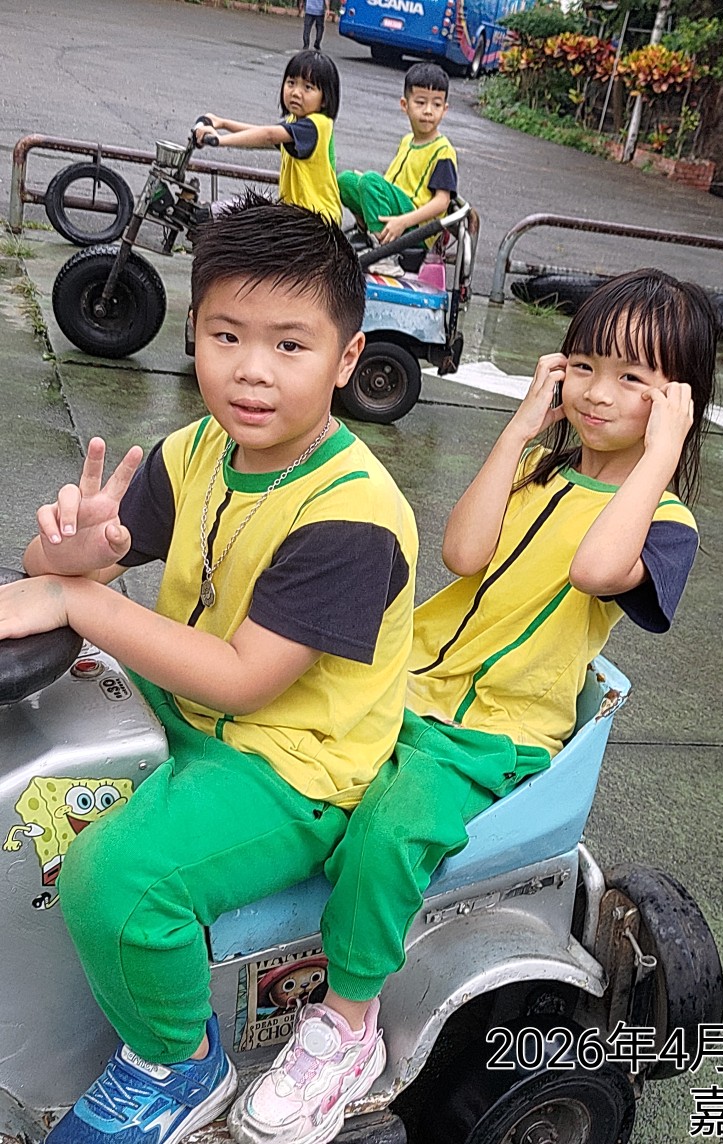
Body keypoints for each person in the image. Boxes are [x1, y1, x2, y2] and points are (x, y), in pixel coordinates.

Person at [229, 268, 720, 1144]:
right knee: (266, 741)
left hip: (492, 733)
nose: (597, 393)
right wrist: (524, 426)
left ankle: (346, 1024)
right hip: (402, 683)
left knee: (388, 834)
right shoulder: (537, 469)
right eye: (585, 365)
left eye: (633, 379)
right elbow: (461, 551)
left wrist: (659, 454)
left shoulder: (665, 519)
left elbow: (596, 571)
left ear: (678, 401)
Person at [0, 195, 419, 1144]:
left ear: (347, 358)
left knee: (118, 879)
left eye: (290, 345)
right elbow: (57, 574)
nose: (251, 370)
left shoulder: (352, 514)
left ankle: (178, 1060)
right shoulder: (198, 450)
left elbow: (241, 680)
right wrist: (71, 554)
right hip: (185, 704)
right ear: (193, 332)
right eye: (227, 335)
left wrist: (82, 601)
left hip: (290, 765)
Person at [194, 51, 342, 224]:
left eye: (308, 87)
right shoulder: (295, 122)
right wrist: (222, 123)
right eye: (291, 83)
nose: (296, 92)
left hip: (317, 222)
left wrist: (219, 140)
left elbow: (268, 136)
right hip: (297, 216)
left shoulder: (316, 125)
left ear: (324, 99)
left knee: (243, 219)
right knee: (246, 209)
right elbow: (260, 133)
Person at [338, 62, 457, 256]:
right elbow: (392, 183)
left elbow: (442, 202)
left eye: (436, 104)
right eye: (420, 103)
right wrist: (367, 184)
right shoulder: (407, 140)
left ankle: (382, 248)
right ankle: (364, 231)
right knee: (346, 180)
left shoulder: (443, 150)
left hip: (416, 226)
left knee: (369, 180)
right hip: (395, 208)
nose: (428, 111)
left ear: (444, 109)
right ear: (405, 105)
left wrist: (403, 221)